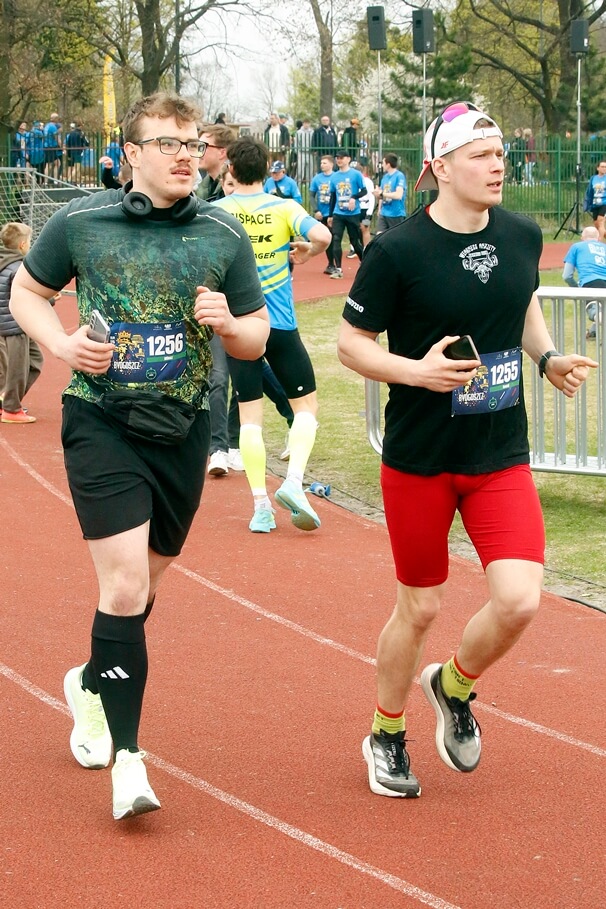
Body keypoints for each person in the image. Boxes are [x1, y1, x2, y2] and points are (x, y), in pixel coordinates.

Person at [9, 91, 269, 820]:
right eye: (168, 143)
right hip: (103, 422)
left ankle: (90, 680)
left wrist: (230, 323)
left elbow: (256, 336)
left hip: (182, 429)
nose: (186, 155)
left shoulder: (222, 231)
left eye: (193, 142)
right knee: (123, 587)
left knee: (143, 588)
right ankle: (128, 761)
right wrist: (62, 345)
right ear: (131, 154)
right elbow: (27, 292)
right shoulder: (81, 222)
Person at [337, 100, 597, 799]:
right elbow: (350, 344)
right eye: (480, 155)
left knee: (519, 600)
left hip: (499, 452)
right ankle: (385, 731)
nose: (496, 165)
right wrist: (414, 371)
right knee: (419, 607)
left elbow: (522, 299)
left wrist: (546, 357)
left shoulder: (521, 233)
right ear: (441, 168)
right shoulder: (397, 250)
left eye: (500, 154)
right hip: (421, 458)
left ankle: (453, 685)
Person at [213, 136, 331, 533]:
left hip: (240, 327)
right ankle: (294, 481)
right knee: (306, 407)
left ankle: (261, 507)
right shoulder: (284, 207)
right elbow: (323, 237)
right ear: (267, 171)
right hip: (280, 323)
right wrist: (307, 252)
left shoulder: (218, 211)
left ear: (231, 170)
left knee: (249, 419)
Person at [0, 223, 43, 423]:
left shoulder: (5, 261)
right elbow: (24, 295)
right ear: (23, 245)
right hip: (14, 325)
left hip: (12, 324)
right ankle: (11, 408)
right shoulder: (18, 268)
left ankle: (8, 399)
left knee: (35, 360)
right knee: (17, 368)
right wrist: (49, 299)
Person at [327, 149, 365, 278]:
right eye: (337, 158)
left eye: (342, 158)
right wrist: (331, 215)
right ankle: (338, 269)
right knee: (336, 238)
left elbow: (364, 191)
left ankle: (364, 262)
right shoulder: (334, 177)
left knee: (355, 241)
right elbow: (333, 196)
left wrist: (354, 197)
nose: (339, 160)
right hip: (338, 213)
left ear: (348, 159)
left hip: (353, 213)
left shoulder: (356, 174)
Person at [562, 225, 605, 339]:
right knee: (603, 309)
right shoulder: (604, 247)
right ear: (598, 238)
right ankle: (593, 332)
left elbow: (567, 275)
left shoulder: (576, 247)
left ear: (582, 237)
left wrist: (578, 290)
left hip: (590, 282)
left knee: (594, 311)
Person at [310, 155, 337, 274]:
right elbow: (311, 195)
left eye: (325, 163)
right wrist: (316, 210)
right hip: (322, 213)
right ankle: (331, 264)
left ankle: (338, 264)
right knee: (327, 238)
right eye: (321, 163)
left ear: (331, 164)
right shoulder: (317, 178)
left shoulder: (336, 177)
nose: (322, 165)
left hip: (335, 212)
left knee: (336, 238)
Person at [195, 123, 235, 202]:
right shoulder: (203, 187)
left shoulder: (234, 189)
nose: (198, 152)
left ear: (222, 153)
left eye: (203, 147)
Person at [374, 153, 407, 233]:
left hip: (396, 213)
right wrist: (379, 207)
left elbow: (398, 195)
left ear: (388, 164)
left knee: (395, 237)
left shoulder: (399, 176)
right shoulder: (385, 177)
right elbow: (382, 195)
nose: (382, 165)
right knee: (379, 235)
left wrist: (382, 193)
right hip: (384, 213)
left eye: (383, 163)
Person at [583, 160, 606, 241]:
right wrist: (587, 203)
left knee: (601, 221)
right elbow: (590, 192)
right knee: (597, 224)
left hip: (604, 203)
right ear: (598, 168)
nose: (604, 168)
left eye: (605, 167)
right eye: (602, 167)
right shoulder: (593, 178)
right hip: (595, 204)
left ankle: (599, 242)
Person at [294, 118, 315, 185]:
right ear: (303, 124)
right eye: (305, 123)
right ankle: (297, 184)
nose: (306, 125)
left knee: (310, 170)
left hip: (310, 153)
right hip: (301, 152)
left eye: (307, 123)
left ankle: (310, 184)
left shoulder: (312, 132)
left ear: (309, 124)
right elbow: (296, 143)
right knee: (300, 170)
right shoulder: (299, 132)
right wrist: (297, 152)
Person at [43, 113, 62, 182]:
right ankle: (54, 180)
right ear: (55, 119)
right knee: (56, 163)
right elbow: (56, 138)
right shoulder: (53, 127)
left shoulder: (47, 126)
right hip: (51, 147)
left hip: (46, 146)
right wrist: (61, 147)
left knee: (50, 164)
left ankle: (47, 180)